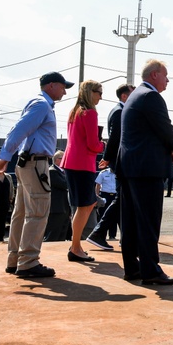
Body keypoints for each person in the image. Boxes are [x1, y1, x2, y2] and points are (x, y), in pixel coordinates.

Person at [0, 71, 73, 279]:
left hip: (28, 163)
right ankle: (28, 262)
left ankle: (16, 259)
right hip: (35, 164)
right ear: (51, 85)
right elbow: (19, 130)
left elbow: (19, 130)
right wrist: (4, 157)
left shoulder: (38, 103)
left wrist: (7, 156)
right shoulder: (42, 105)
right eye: (63, 87)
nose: (64, 92)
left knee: (21, 213)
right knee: (37, 212)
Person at [118, 59, 173, 285]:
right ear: (155, 75)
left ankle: (132, 268)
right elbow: (164, 127)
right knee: (148, 221)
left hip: (130, 167)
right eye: (166, 75)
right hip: (147, 168)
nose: (168, 80)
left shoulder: (135, 96)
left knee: (131, 221)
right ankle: (151, 271)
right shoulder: (151, 96)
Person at [61, 80, 106, 263]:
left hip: (72, 162)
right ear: (90, 92)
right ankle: (75, 247)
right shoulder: (90, 113)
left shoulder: (75, 111)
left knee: (86, 205)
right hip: (82, 164)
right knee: (84, 206)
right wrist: (104, 145)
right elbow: (93, 144)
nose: (101, 97)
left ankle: (76, 245)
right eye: (99, 93)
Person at [86, 83, 133, 251]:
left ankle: (117, 236)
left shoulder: (118, 111)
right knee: (122, 198)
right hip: (121, 162)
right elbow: (115, 137)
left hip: (119, 161)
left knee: (124, 198)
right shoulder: (120, 112)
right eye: (132, 94)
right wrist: (106, 157)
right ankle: (99, 233)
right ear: (124, 97)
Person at [44, 150, 72, 242]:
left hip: (64, 208)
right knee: (53, 234)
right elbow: (64, 184)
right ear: (56, 160)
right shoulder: (52, 171)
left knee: (62, 235)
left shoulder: (63, 172)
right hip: (56, 208)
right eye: (63, 158)